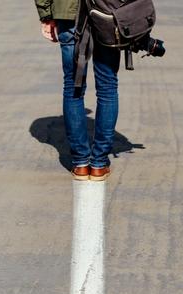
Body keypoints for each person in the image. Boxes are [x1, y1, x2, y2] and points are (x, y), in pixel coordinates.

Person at [36, 0, 120, 181]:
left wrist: (47, 15)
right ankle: (99, 164)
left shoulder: (39, 121)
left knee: (74, 87)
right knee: (107, 87)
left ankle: (81, 163)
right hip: (108, 11)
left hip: (68, 13)